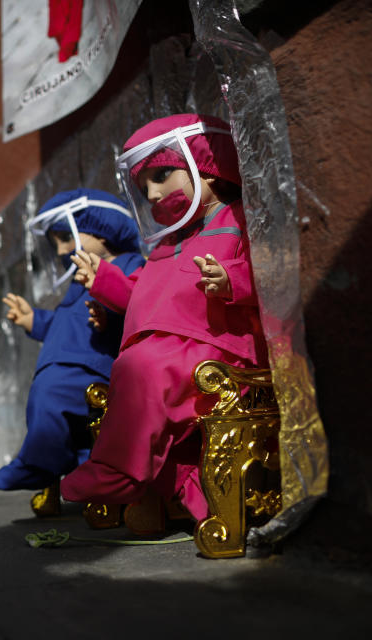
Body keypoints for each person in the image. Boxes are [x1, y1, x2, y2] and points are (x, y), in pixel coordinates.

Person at [61, 114, 268, 523]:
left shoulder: (239, 218)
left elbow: (272, 274)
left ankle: (118, 472)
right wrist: (103, 281)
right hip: (167, 350)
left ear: (206, 168)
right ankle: (185, 491)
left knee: (145, 368)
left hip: (219, 349)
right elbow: (138, 295)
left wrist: (233, 280)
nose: (153, 193)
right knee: (135, 368)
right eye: (144, 187)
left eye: (162, 175)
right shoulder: (167, 243)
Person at [0, 189, 144, 492]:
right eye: (56, 243)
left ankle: (39, 464)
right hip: (64, 363)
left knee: (51, 399)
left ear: (103, 229)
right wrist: (33, 320)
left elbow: (137, 303)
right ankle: (77, 464)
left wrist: (108, 314)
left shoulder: (129, 263)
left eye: (66, 237)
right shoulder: (77, 277)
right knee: (46, 404)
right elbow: (67, 324)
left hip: (91, 365)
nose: (62, 250)